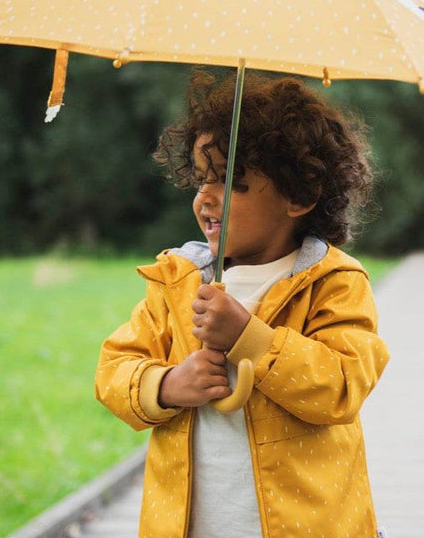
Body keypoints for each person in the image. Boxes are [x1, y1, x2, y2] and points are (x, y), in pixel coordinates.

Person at [95, 71, 390, 538]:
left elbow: (341, 386)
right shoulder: (179, 280)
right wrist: (168, 385)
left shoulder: (332, 284)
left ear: (299, 195)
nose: (205, 198)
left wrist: (249, 338)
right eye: (201, 180)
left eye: (231, 182)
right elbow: (114, 370)